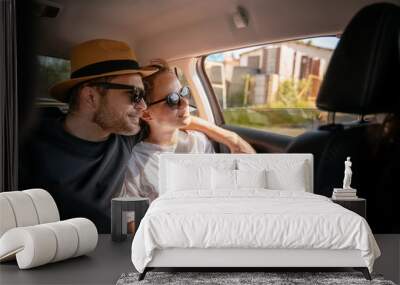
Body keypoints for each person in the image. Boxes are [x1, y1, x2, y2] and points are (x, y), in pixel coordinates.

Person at [19, 39, 254, 233]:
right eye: (133, 95)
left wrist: (232, 140)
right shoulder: (28, 144)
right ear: (90, 97)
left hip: (121, 249)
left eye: (143, 96)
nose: (143, 107)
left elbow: (182, 118)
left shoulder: (125, 132)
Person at [121, 61, 255, 202]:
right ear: (147, 114)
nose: (185, 103)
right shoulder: (135, 161)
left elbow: (217, 193)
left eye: (183, 92)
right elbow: (131, 219)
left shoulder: (199, 142)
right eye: (172, 99)